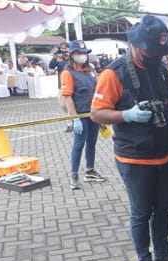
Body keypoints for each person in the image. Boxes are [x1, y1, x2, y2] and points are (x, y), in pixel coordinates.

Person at [91, 15, 168, 261]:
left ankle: (162, 255)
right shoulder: (114, 73)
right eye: (151, 51)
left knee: (164, 208)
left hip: (164, 153)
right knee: (141, 212)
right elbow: (97, 113)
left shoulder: (161, 70)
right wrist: (126, 115)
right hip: (134, 157)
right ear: (134, 45)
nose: (155, 56)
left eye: (159, 52)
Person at [61, 39, 106, 190]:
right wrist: (75, 118)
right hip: (80, 114)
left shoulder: (91, 70)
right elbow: (68, 97)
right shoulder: (67, 73)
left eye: (84, 52)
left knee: (92, 142)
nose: (82, 55)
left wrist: (102, 111)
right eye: (78, 53)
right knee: (78, 144)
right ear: (71, 55)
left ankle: (90, 171)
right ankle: (74, 175)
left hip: (94, 113)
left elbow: (99, 89)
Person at [49, 42, 72, 132]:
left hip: (71, 85)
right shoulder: (59, 58)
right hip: (61, 85)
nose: (63, 50)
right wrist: (55, 57)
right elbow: (51, 66)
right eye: (62, 48)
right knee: (63, 105)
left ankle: (70, 123)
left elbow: (69, 66)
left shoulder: (71, 58)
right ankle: (73, 116)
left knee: (69, 104)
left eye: (65, 48)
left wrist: (67, 57)